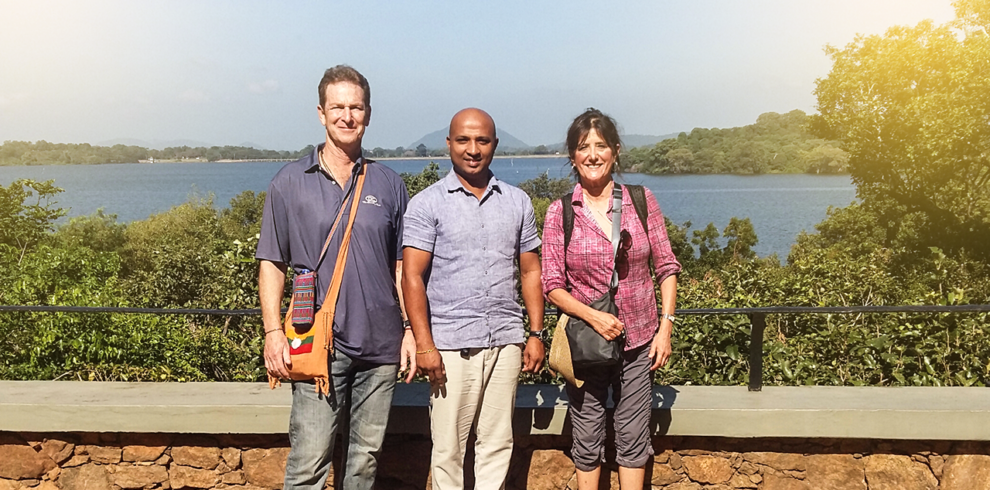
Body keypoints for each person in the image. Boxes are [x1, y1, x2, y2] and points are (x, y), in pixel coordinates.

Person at [256, 65, 416, 490]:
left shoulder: (389, 182)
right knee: (309, 462)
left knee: (364, 463)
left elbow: (401, 268)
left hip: (381, 346)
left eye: (356, 107)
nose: (347, 116)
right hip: (315, 343)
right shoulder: (289, 182)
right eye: (338, 107)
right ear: (321, 113)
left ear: (368, 113)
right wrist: (273, 332)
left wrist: (409, 330)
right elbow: (271, 261)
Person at [401, 108, 546, 490]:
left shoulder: (517, 202)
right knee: (448, 450)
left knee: (498, 444)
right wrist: (424, 344)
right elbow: (411, 276)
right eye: (463, 140)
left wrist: (535, 333)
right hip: (450, 346)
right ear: (448, 144)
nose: (473, 149)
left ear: (494, 145)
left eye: (482, 140)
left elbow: (531, 271)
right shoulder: (427, 204)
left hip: (505, 341)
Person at [541, 108, 681, 490]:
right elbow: (551, 284)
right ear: (572, 156)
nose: (592, 154)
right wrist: (595, 317)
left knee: (634, 435)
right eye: (583, 147)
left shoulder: (641, 200)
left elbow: (666, 266)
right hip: (586, 343)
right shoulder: (560, 213)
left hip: (639, 339)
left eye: (600, 146)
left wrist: (664, 329)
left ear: (615, 151)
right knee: (586, 435)